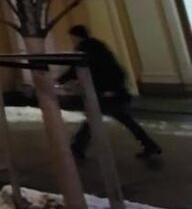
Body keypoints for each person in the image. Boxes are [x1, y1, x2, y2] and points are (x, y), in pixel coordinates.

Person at [60, 25, 161, 159]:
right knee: (118, 118)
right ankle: (149, 145)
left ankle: (78, 147)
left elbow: (76, 67)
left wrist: (60, 80)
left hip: (107, 90)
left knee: (96, 117)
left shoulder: (85, 48)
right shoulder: (98, 46)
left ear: (76, 36)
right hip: (114, 88)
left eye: (72, 38)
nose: (72, 40)